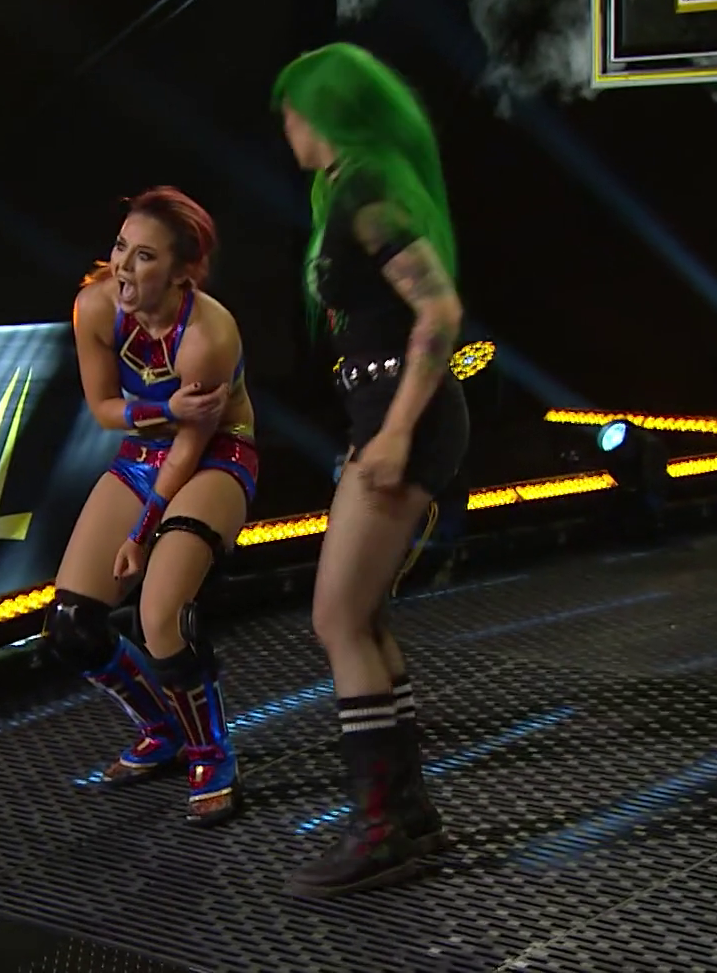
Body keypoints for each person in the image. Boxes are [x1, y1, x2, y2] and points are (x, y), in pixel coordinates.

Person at [271, 43, 470, 896]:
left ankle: (381, 830)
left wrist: (391, 435)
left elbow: (439, 312)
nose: (286, 125)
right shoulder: (350, 187)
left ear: (327, 110)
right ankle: (408, 816)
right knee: (364, 618)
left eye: (294, 108)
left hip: (404, 418)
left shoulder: (365, 191)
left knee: (338, 618)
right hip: (384, 413)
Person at [42, 186, 258, 827]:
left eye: (145, 257)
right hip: (143, 452)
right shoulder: (95, 307)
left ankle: (211, 753)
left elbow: (191, 444)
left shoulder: (208, 335)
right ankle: (163, 728)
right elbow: (104, 408)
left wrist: (141, 532)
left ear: (183, 271)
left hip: (215, 456)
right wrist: (163, 408)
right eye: (120, 249)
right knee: (71, 625)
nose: (124, 268)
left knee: (161, 615)